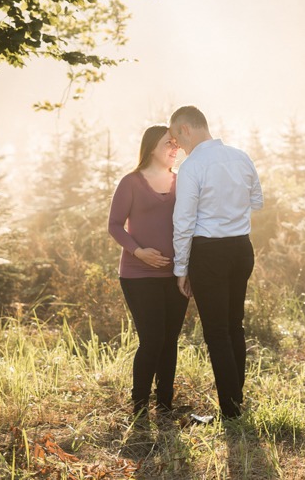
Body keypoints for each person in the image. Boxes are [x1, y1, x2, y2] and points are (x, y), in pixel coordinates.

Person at [170, 105, 263, 419]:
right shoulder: (241, 156)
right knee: (234, 325)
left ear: (185, 129)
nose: (177, 146)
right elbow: (258, 202)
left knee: (217, 332)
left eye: (175, 138)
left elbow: (183, 223)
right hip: (242, 248)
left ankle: (231, 411)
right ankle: (235, 403)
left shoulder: (192, 166)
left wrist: (181, 269)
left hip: (209, 253)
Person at [108, 125, 189, 424]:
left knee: (170, 341)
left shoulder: (182, 182)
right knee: (152, 340)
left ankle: (165, 406)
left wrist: (188, 268)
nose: (175, 148)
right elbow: (115, 225)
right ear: (152, 147)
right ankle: (139, 406)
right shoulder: (131, 182)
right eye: (169, 142)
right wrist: (137, 251)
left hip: (176, 275)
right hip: (138, 275)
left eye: (177, 143)